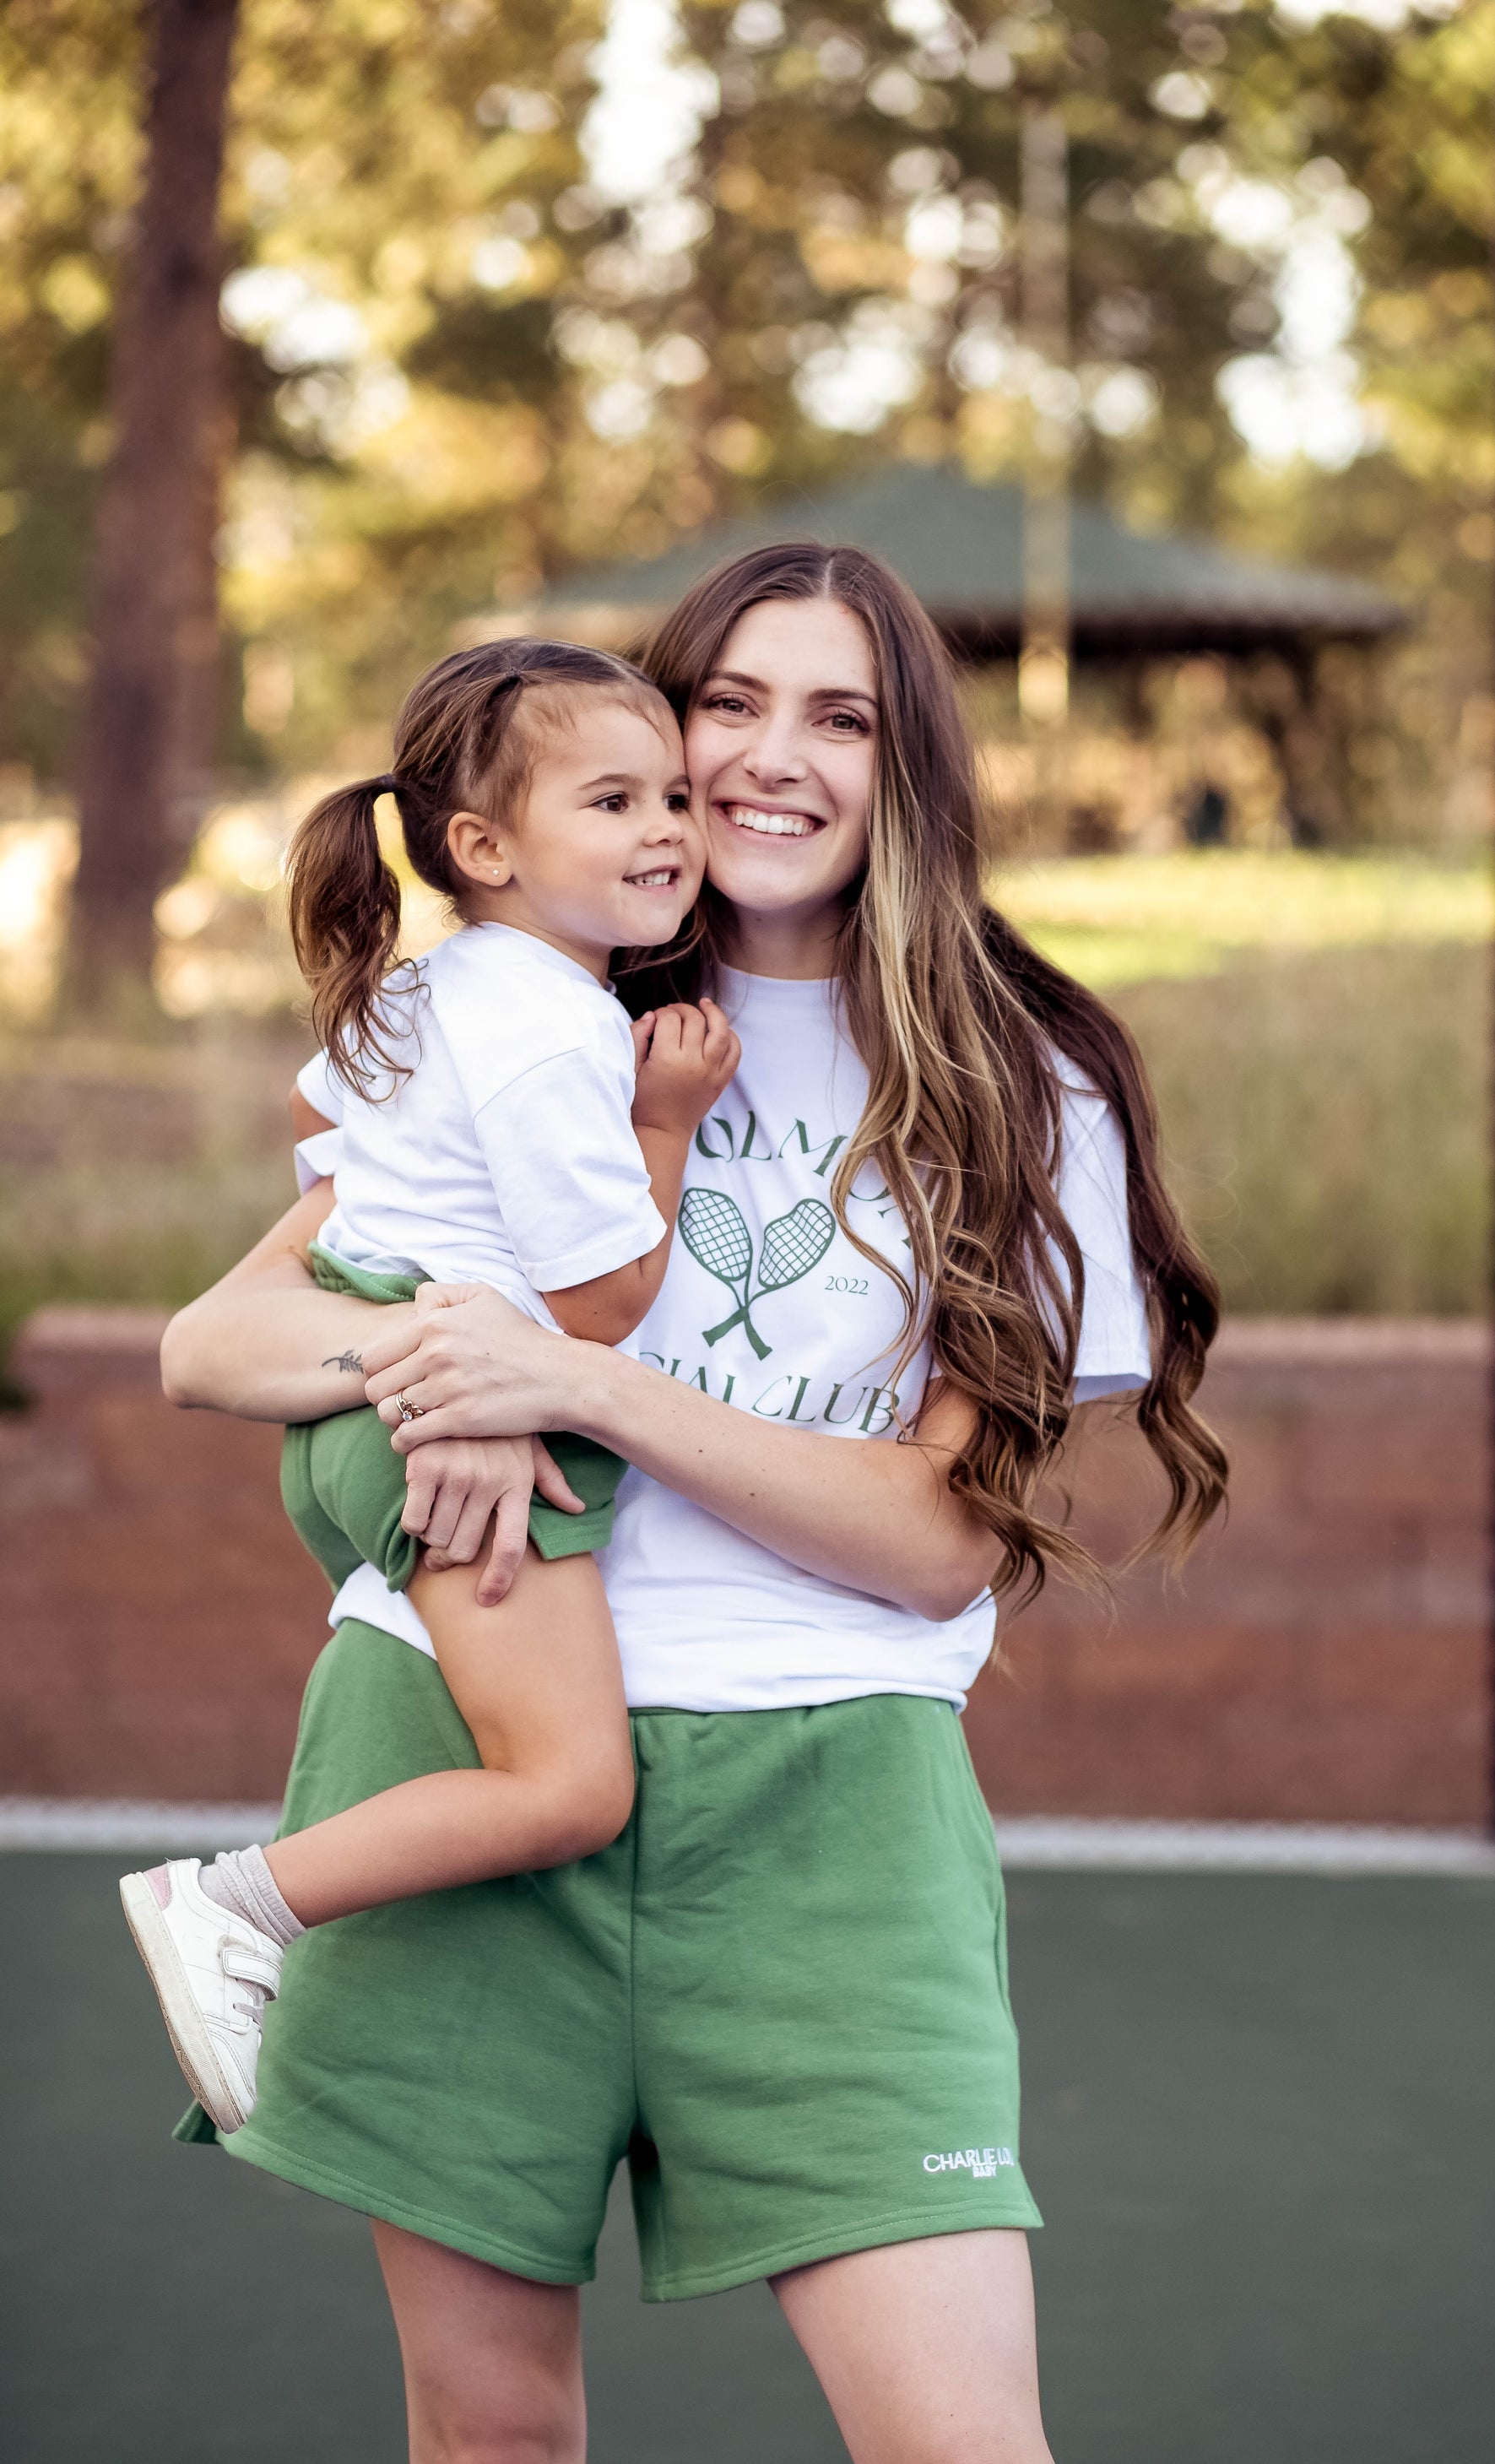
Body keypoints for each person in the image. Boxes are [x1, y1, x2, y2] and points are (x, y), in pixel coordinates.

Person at [160, 542, 1226, 2464]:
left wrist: (568, 1380)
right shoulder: (522, 1012)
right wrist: (447, 1360)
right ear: (644, 737)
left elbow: (930, 1542)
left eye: (840, 714)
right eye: (725, 704)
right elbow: (216, 1344)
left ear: (911, 765)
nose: (767, 760)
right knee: (492, 2435)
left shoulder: (1024, 1079)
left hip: (831, 1817)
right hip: (459, 1745)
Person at [121, 636, 739, 2134]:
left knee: (527, 1757)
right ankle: (239, 1903)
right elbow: (599, 1302)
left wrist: (417, 1219)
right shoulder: (552, 1030)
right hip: (459, 1430)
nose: (665, 829)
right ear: (483, 847)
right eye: (611, 802)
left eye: (672, 794)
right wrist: (664, 1123)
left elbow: (316, 1108)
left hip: (354, 1397)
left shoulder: (437, 986)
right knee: (572, 1787)